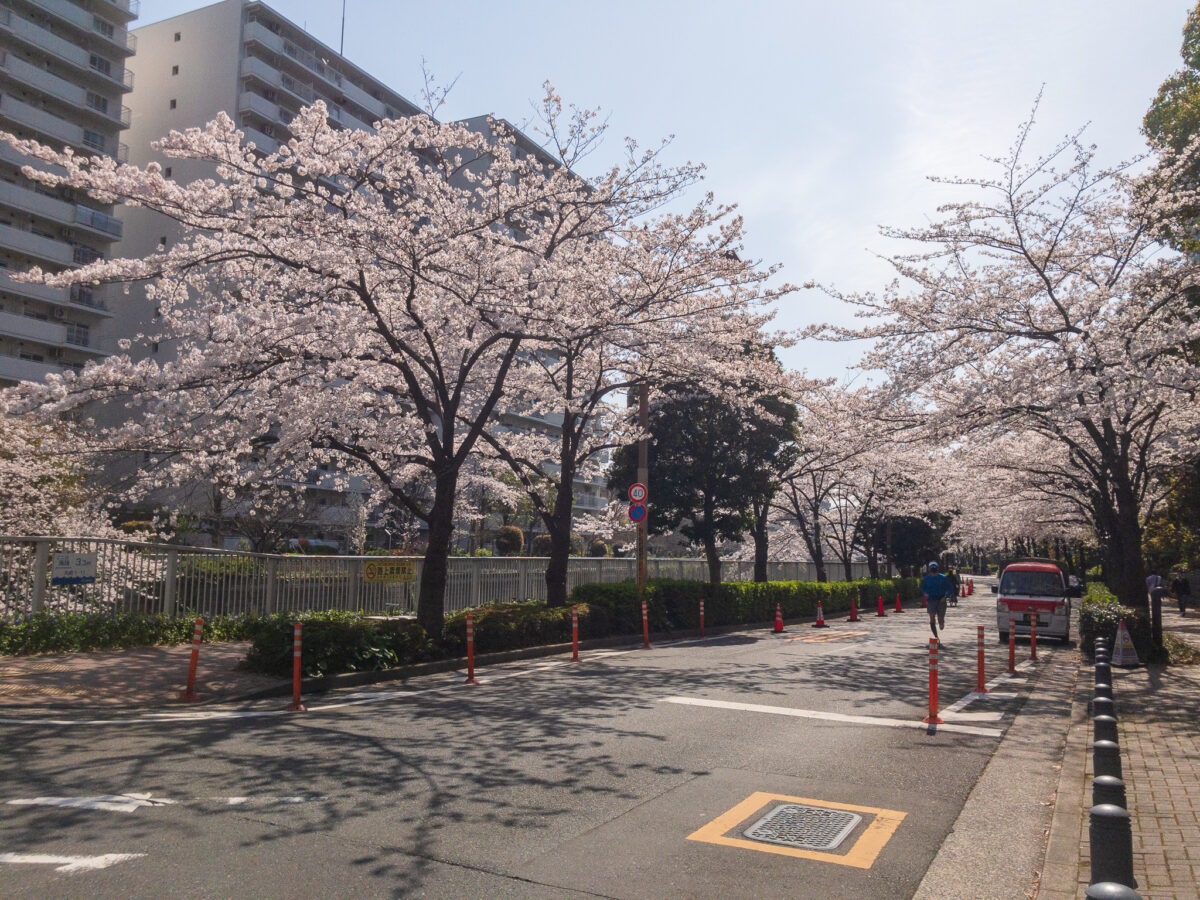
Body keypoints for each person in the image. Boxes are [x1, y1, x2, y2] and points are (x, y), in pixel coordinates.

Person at [920, 561, 950, 643]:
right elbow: (923, 588)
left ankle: (941, 622)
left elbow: (950, 588)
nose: (933, 569)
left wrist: (945, 596)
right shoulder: (926, 578)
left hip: (941, 600)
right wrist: (925, 593)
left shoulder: (943, 578)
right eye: (931, 568)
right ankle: (936, 636)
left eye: (934, 567)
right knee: (932, 618)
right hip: (931, 600)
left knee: (940, 618)